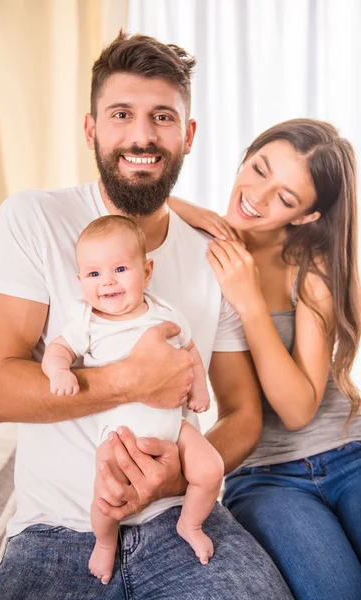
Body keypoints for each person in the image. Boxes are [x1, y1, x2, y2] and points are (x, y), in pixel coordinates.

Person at [0, 32, 293, 599]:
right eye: (121, 114)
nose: (142, 136)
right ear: (91, 128)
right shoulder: (31, 219)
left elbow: (243, 411)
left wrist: (178, 474)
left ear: (188, 135)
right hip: (56, 533)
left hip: (182, 520)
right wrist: (132, 379)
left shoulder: (210, 251)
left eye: (163, 117)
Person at [169, 117, 361, 600]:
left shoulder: (309, 264)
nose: (256, 194)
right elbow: (119, 203)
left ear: (306, 217)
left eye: (286, 198)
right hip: (266, 477)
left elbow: (299, 409)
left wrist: (250, 301)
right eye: (258, 168)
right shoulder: (198, 247)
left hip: (350, 456)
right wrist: (179, 205)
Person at [42, 214, 224, 583]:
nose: (107, 280)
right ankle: (105, 544)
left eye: (120, 268)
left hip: (174, 428)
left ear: (147, 270)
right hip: (118, 434)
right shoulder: (87, 322)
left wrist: (200, 388)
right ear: (80, 282)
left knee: (211, 469)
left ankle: (190, 524)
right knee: (107, 496)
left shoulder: (165, 314)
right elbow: (57, 349)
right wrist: (59, 371)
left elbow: (189, 350)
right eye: (93, 274)